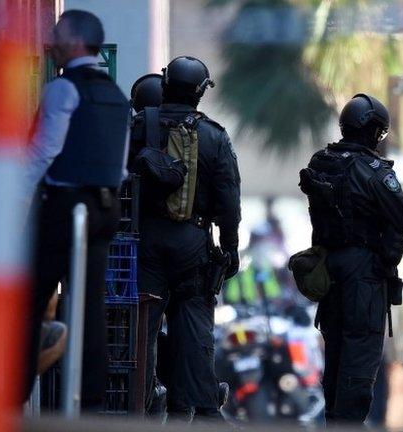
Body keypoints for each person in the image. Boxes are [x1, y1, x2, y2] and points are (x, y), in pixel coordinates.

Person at [23, 10, 129, 409]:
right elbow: (118, 166)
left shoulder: (63, 89)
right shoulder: (116, 97)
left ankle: (11, 391)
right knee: (89, 306)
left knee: (30, 299)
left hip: (67, 207)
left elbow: (45, 149)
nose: (51, 44)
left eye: (57, 37)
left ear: (75, 43)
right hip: (104, 209)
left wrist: (11, 196)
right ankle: (91, 402)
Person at [299, 94, 403, 424]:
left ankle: (334, 421)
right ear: (374, 131)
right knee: (361, 351)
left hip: (329, 268)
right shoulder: (373, 169)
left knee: (336, 349)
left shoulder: (320, 161)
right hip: (363, 274)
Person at [129, 55, 240, 423]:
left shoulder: (139, 126)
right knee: (193, 325)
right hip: (193, 241)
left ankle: (139, 405)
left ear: (165, 84)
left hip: (144, 240)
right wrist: (230, 247)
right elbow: (229, 201)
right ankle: (193, 411)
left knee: (142, 326)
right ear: (200, 92)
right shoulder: (214, 135)